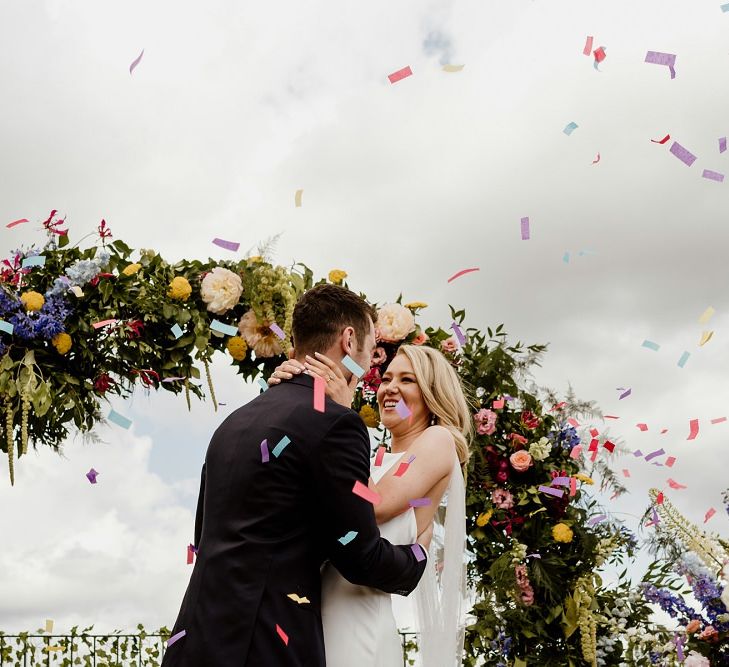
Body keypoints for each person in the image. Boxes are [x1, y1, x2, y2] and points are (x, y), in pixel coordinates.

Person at [161, 285, 429, 667]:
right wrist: (416, 556)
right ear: (348, 340)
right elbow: (359, 556)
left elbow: (203, 535)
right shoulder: (337, 424)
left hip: (195, 640)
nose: (370, 369)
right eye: (370, 356)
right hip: (265, 646)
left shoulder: (236, 420)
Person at [269, 342, 473, 666]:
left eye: (407, 380)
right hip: (315, 622)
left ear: (431, 394)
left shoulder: (439, 439)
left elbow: (374, 503)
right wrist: (288, 395)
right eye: (388, 378)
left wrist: (342, 413)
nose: (390, 388)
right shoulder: (374, 458)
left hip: (359, 629)